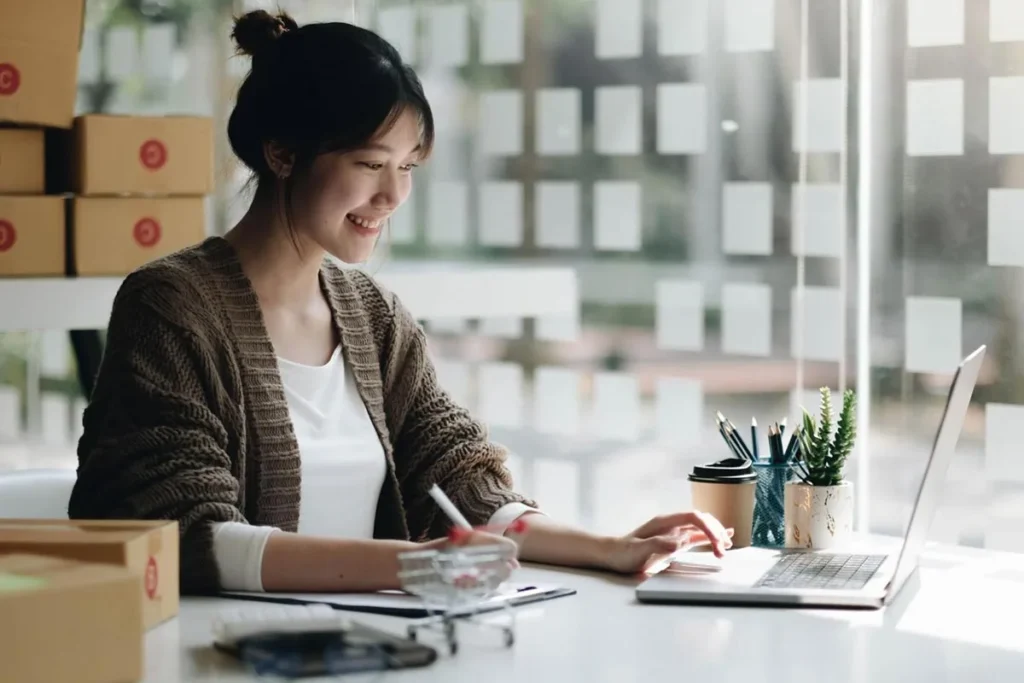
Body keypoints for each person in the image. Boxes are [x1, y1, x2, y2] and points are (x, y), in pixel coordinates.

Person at [68, 10, 732, 596]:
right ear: (282, 153)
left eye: (408, 166)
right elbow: (187, 532)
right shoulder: (172, 306)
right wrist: (413, 563)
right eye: (368, 163)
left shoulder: (373, 315)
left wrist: (613, 547)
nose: (393, 195)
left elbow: (460, 484)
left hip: (373, 646)